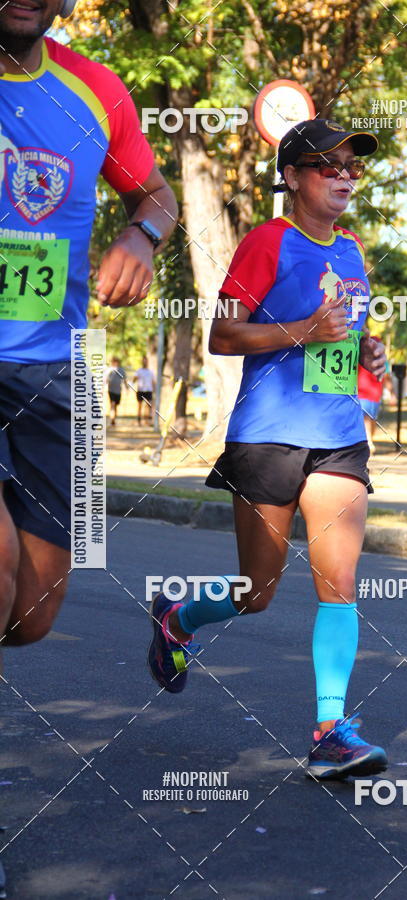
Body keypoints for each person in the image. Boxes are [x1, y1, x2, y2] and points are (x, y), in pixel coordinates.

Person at [147, 119, 388, 780]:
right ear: (292, 177)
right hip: (268, 435)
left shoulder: (353, 250)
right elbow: (223, 336)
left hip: (338, 439)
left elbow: (346, 337)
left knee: (339, 586)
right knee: (257, 591)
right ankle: (178, 619)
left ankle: (330, 732)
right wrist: (301, 329)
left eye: (352, 166)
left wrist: (369, 355)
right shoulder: (267, 242)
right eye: (329, 165)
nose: (345, 176)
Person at [0, 0, 177, 649]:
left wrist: (141, 236)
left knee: (31, 614)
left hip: (56, 372)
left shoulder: (96, 91)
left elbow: (157, 196)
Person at [358, 335, 393, 454]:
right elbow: (387, 376)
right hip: (373, 394)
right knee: (369, 418)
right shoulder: (381, 359)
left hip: (362, 392)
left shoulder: (360, 353)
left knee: (367, 419)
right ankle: (369, 440)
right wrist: (391, 392)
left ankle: (368, 440)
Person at [105, 356, 127, 426]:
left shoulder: (121, 370)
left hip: (118, 390)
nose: (115, 363)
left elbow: (124, 379)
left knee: (116, 405)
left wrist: (126, 388)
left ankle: (114, 418)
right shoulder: (109, 370)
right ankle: (112, 419)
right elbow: (106, 379)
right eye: (113, 361)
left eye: (116, 361)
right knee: (112, 404)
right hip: (111, 390)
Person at [134, 356, 156, 425]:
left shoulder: (151, 371)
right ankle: (139, 420)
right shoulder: (139, 371)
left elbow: (153, 381)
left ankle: (146, 421)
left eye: (146, 361)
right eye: (143, 361)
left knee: (148, 406)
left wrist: (154, 389)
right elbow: (134, 379)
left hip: (148, 390)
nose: (144, 362)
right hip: (140, 390)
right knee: (139, 406)